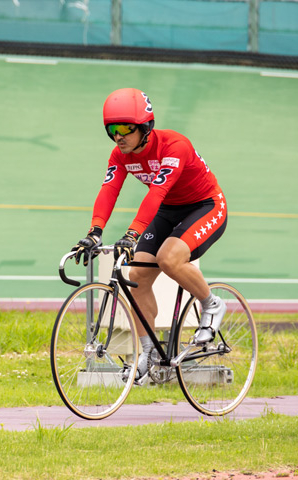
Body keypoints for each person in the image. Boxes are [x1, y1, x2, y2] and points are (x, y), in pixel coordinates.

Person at [71, 87, 228, 383]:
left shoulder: (175, 146)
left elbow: (157, 192)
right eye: (111, 129)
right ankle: (149, 352)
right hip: (169, 211)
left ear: (145, 127)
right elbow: (109, 190)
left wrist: (132, 234)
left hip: (205, 206)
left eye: (125, 129)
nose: (118, 136)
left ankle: (211, 304)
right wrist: (94, 232)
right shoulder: (120, 155)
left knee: (169, 258)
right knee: (136, 275)